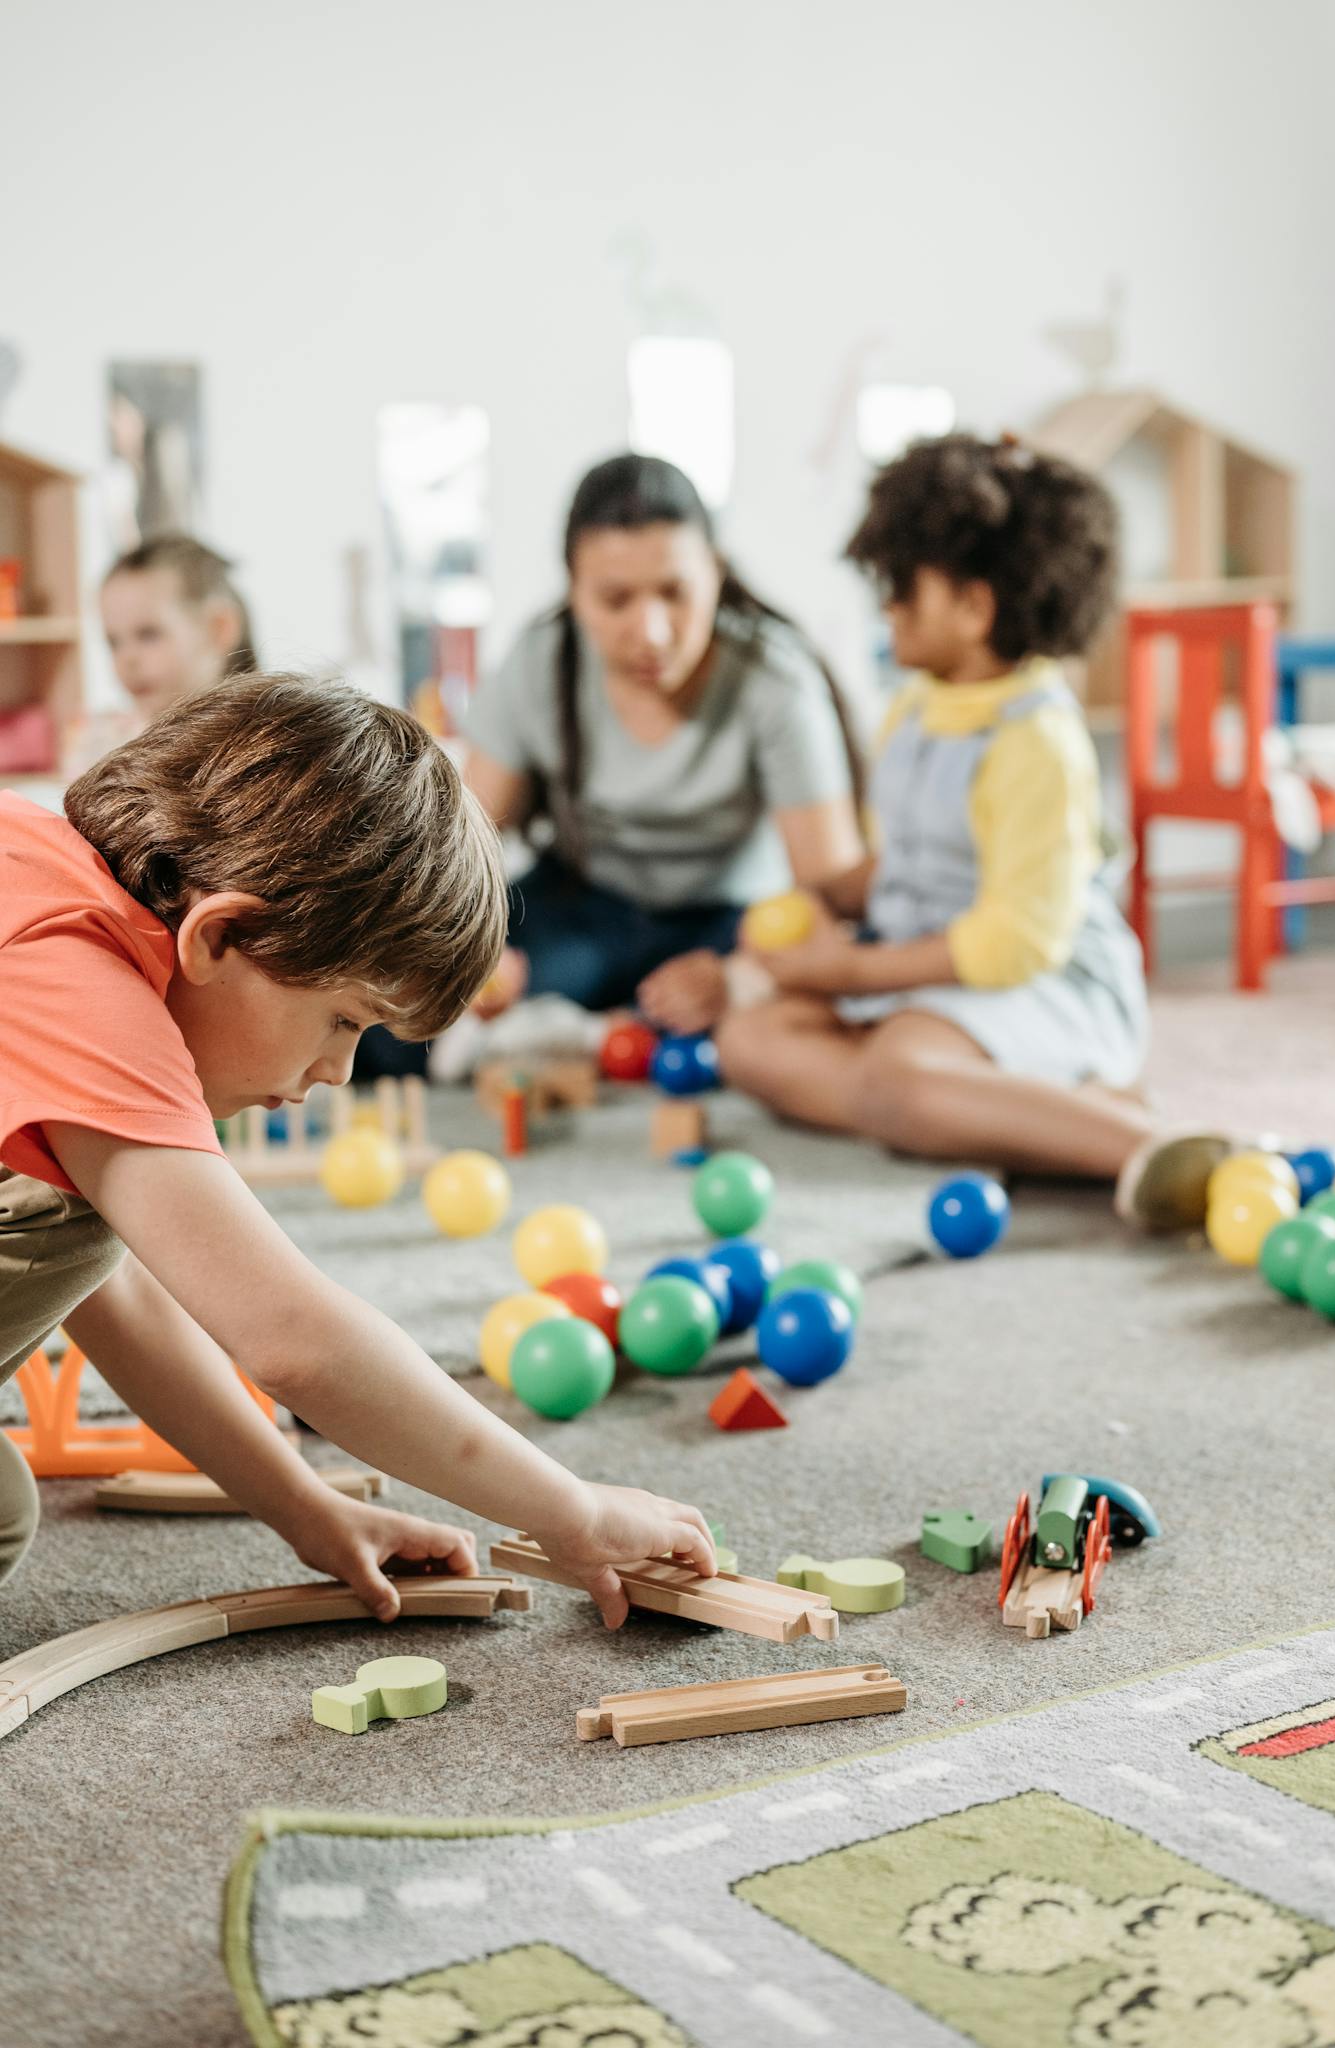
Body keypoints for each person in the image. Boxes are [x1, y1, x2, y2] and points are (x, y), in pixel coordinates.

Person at [0, 675, 714, 1613]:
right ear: (219, 934)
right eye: (343, 1020)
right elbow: (291, 1339)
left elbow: (119, 1294)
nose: (339, 1071)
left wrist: (301, 1505)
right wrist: (567, 1508)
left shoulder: (33, 863)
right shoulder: (80, 988)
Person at [716, 433, 1224, 1226]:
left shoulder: (1035, 741)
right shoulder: (915, 706)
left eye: (902, 588)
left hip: (1039, 985)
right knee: (749, 1039)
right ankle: (1020, 1110)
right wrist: (829, 899)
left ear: (974, 608)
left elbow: (1012, 942)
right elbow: (909, 860)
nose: (886, 606)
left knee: (898, 1070)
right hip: (931, 983)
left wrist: (849, 972)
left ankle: (1144, 1145)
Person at [465, 452, 866, 1030]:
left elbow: (832, 892)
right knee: (408, 1016)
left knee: (789, 1016)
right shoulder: (540, 660)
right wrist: (477, 950)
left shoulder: (774, 678)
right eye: (616, 600)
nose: (651, 633)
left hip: (728, 919)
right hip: (584, 906)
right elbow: (463, 849)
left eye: (675, 592)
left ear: (716, 574)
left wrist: (738, 978)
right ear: (574, 591)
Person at [65, 535, 259, 774]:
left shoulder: (258, 742)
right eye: (113, 642)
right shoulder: (106, 742)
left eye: (148, 635)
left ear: (219, 629)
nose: (128, 658)